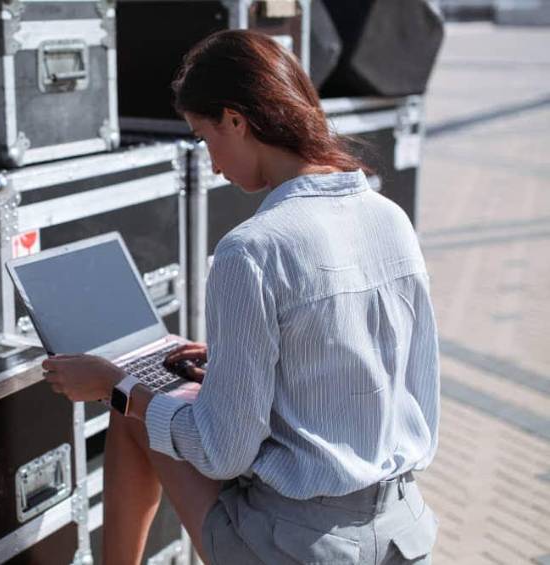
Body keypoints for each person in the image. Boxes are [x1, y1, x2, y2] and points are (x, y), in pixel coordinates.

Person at [42, 29, 440, 565]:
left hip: (298, 546)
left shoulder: (250, 250)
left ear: (236, 119)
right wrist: (232, 366)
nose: (212, 165)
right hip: (402, 531)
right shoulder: (390, 218)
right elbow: (404, 383)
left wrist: (116, 386)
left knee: (133, 417)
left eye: (205, 138)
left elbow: (222, 453)